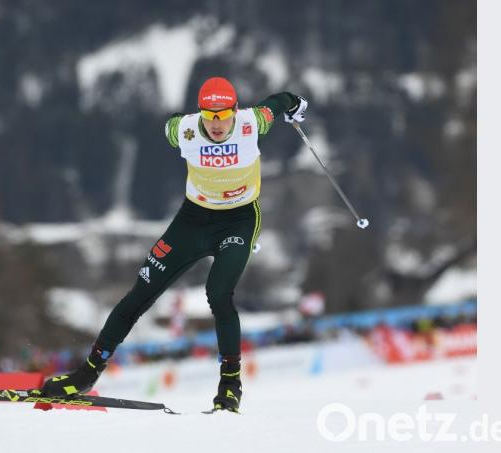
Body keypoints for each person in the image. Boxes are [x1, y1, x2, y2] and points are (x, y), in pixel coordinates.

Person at [41, 77, 308, 412]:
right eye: (208, 117)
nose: (216, 125)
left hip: (238, 221)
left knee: (218, 293)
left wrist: (296, 104)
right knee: (140, 293)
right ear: (199, 115)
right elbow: (167, 127)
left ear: (235, 112)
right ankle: (87, 373)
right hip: (193, 219)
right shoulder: (184, 130)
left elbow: (279, 100)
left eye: (223, 116)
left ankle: (230, 384)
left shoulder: (252, 122)